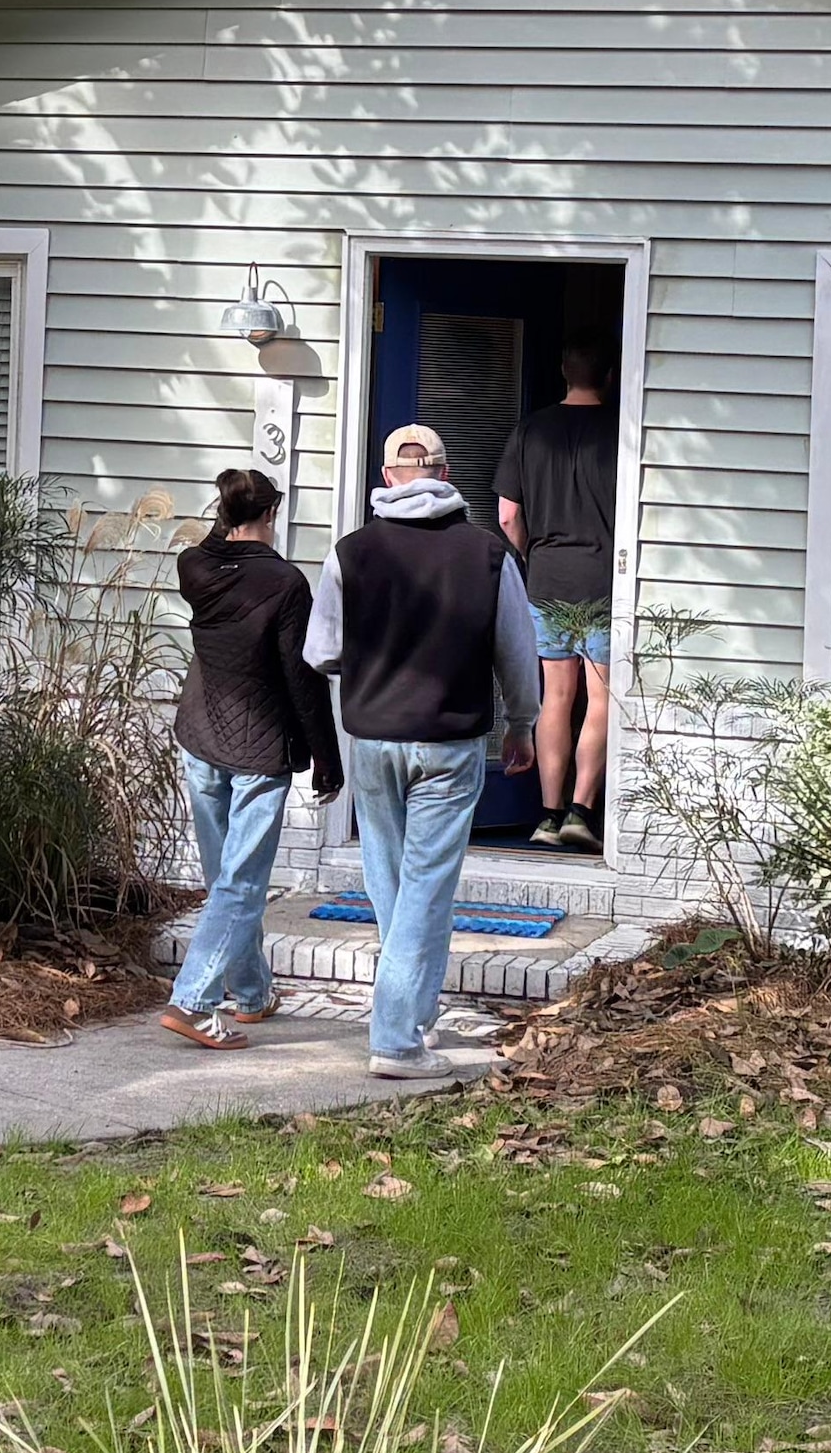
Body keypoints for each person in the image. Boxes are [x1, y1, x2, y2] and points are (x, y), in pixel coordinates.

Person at [304, 420, 541, 1081]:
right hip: (449, 741)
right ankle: (397, 1040)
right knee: (426, 888)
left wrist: (375, 656)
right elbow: (518, 652)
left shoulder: (349, 553)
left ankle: (414, 1013)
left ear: (387, 477)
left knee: (394, 885)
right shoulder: (488, 555)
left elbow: (321, 652)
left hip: (373, 737)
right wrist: (522, 723)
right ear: (444, 473)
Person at [159, 466, 341, 1048]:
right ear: (270, 515)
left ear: (224, 514)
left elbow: (217, 545)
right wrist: (327, 759)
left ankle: (253, 991)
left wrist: (231, 520)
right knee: (240, 884)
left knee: (226, 879)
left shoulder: (195, 566)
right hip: (259, 748)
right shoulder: (285, 583)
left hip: (202, 737)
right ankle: (193, 1002)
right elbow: (302, 679)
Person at [497, 349, 623, 852]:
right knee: (600, 698)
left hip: (547, 580)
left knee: (556, 697)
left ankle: (548, 816)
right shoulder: (620, 430)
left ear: (563, 373)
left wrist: (532, 554)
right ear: (608, 375)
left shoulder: (530, 430)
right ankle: (580, 811)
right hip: (602, 579)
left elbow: (508, 515)